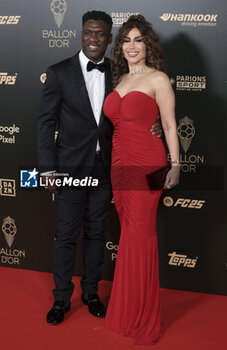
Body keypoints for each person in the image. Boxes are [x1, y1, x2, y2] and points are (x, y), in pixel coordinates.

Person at [38, 10, 162, 326]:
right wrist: (47, 169)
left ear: (109, 39)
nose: (94, 39)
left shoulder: (119, 73)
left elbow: (138, 106)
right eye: (89, 33)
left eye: (101, 34)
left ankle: (91, 294)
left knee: (96, 233)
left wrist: (155, 126)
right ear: (81, 34)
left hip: (105, 168)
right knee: (66, 234)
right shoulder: (59, 72)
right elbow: (45, 123)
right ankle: (61, 299)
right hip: (68, 169)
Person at [103, 15, 180, 345]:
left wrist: (175, 164)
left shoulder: (158, 79)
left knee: (140, 236)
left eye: (138, 39)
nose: (132, 45)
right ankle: (126, 310)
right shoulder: (118, 80)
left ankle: (142, 317)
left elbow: (169, 125)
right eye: (126, 40)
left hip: (148, 163)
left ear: (148, 44)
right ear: (120, 47)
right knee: (129, 236)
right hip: (118, 165)